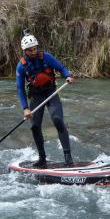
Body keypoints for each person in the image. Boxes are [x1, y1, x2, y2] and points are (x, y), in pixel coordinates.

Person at [16, 31, 75, 168]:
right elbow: (20, 89)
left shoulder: (46, 57)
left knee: (58, 120)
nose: (34, 52)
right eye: (30, 50)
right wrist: (25, 108)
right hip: (36, 96)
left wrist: (68, 75)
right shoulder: (21, 66)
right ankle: (42, 159)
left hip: (51, 93)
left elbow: (61, 68)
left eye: (35, 48)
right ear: (24, 50)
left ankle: (68, 158)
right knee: (35, 126)